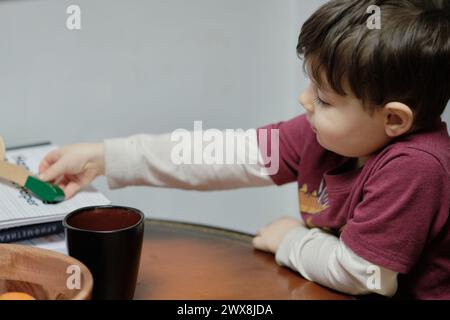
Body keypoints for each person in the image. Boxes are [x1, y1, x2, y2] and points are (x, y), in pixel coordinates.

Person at [39, 0, 450, 299]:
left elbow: (368, 275)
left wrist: (290, 239)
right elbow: (224, 153)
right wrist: (107, 157)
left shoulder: (417, 166)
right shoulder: (323, 135)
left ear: (393, 119)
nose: (305, 100)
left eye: (324, 99)